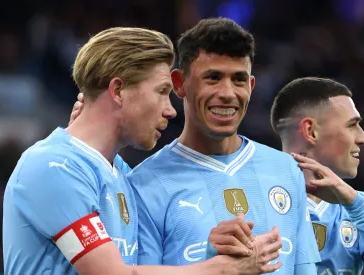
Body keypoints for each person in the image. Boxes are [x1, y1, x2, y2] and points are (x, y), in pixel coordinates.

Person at [2, 26, 283, 275]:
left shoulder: (120, 173)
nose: (170, 110)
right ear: (118, 91)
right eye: (161, 91)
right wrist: (220, 270)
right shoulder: (52, 167)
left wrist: (211, 254)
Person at [125, 18, 320, 274]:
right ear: (179, 83)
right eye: (213, 78)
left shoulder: (286, 170)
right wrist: (214, 264)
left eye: (238, 80)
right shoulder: (143, 185)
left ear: (251, 86)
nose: (228, 93)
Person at [270, 77, 364, 274]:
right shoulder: (256, 196)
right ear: (311, 131)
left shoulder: (360, 208)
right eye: (352, 125)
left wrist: (356, 205)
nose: (363, 139)